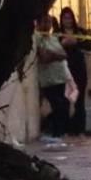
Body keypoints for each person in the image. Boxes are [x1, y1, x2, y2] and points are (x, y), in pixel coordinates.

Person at [36, 14, 71, 143]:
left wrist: (53, 55)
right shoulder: (38, 38)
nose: (47, 25)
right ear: (39, 24)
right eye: (45, 22)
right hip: (48, 80)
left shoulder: (53, 38)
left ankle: (60, 132)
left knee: (63, 105)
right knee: (57, 105)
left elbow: (64, 54)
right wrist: (56, 55)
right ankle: (55, 132)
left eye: (49, 22)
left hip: (59, 78)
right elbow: (44, 57)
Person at [59, 7, 91, 137]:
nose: (67, 21)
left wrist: (76, 41)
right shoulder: (58, 33)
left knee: (80, 100)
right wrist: (64, 43)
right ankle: (66, 129)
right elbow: (55, 48)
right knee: (65, 100)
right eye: (65, 18)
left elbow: (89, 45)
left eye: (69, 18)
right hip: (65, 69)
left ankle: (80, 129)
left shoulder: (80, 32)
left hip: (79, 69)